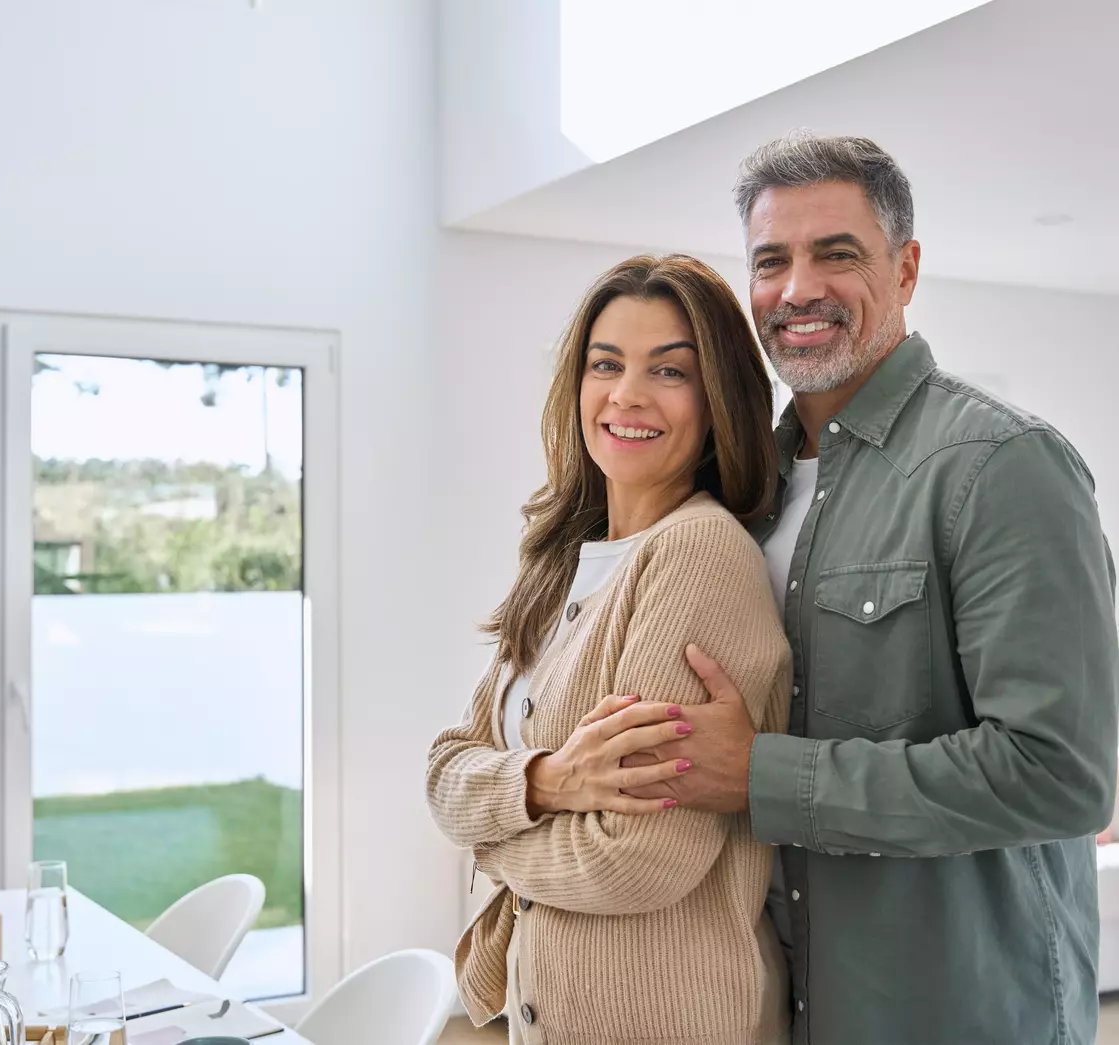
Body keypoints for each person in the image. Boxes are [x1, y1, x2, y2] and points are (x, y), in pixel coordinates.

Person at [621, 134, 1119, 1044]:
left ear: (906, 268)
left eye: (835, 254)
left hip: (957, 1014)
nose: (797, 289)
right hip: (784, 1001)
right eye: (770, 262)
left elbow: (1061, 776)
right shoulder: (745, 488)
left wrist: (761, 773)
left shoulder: (1001, 465)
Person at [426, 254, 793, 1044]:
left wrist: (490, 838)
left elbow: (635, 858)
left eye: (668, 370)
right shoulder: (560, 558)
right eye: (606, 364)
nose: (626, 394)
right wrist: (550, 780)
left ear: (715, 399)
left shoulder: (697, 554)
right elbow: (444, 770)